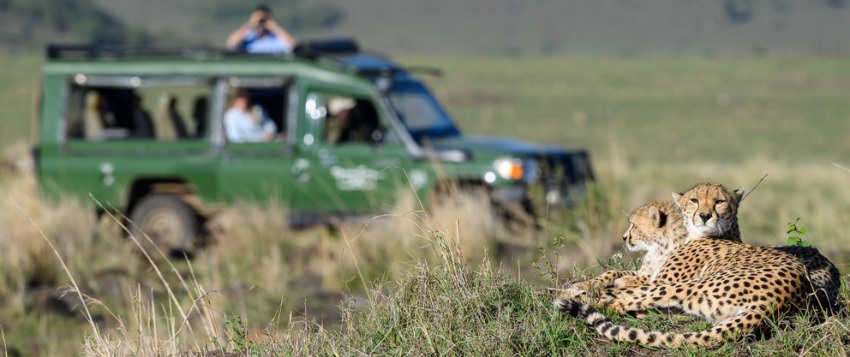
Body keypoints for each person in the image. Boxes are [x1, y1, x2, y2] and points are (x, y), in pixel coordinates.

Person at [226, 5, 296, 54]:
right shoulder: (247, 37)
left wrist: (274, 27)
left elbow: (292, 46)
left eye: (264, 19)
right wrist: (250, 25)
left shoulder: (276, 38)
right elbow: (232, 43)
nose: (261, 23)